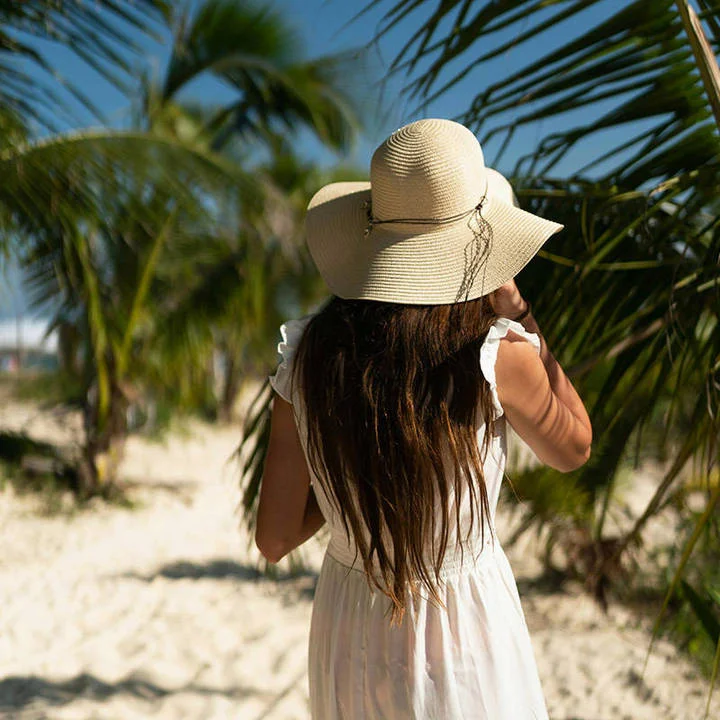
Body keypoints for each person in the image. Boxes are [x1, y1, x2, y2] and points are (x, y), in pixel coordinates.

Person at [255, 118, 593, 719]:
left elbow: (274, 538)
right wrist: (524, 315)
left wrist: (352, 488)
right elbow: (574, 448)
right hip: (461, 622)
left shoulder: (310, 356)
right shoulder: (493, 352)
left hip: (351, 628)